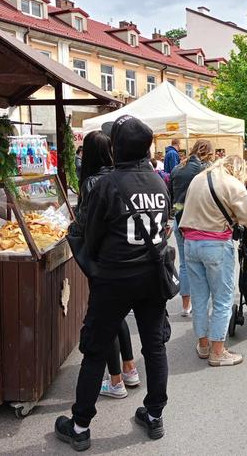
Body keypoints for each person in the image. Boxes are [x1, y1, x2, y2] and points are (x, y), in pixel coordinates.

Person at [55, 115, 172, 450]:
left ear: (119, 147)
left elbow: (90, 238)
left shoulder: (107, 184)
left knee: (94, 350)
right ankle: (154, 414)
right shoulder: (158, 182)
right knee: (154, 346)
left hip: (115, 279)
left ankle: (79, 426)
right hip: (151, 276)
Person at [70, 130, 141, 401]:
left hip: (102, 259)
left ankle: (115, 381)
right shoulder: (117, 178)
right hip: (122, 256)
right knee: (118, 315)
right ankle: (129, 368)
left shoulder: (92, 182)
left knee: (104, 318)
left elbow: (89, 225)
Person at [180, 156, 247, 367]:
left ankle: (203, 345)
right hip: (215, 244)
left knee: (199, 298)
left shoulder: (198, 178)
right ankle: (218, 352)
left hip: (190, 243)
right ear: (239, 170)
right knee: (223, 299)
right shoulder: (233, 183)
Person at [169, 139, 215, 317]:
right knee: (201, 266)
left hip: (179, 221)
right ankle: (199, 305)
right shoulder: (204, 170)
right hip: (197, 222)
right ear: (207, 152)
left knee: (184, 265)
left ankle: (185, 306)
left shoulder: (177, 168)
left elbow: (171, 195)